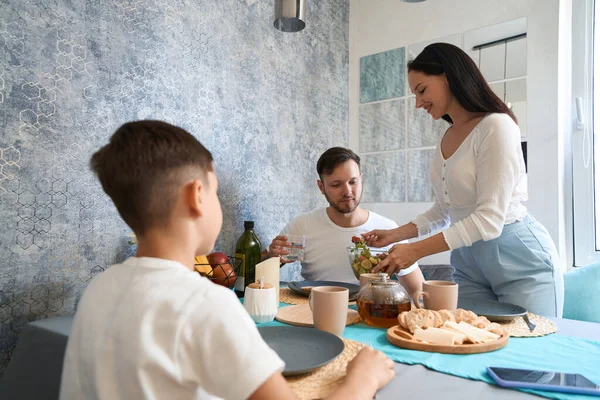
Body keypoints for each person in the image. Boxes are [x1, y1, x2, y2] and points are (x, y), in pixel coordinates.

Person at [60, 121, 395, 400]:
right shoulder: (205, 304)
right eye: (216, 190)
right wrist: (363, 379)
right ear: (196, 196)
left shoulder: (99, 288)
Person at [362, 43, 564, 317]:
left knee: (530, 350)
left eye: (422, 90)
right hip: (467, 261)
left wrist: (414, 251)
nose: (418, 103)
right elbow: (444, 211)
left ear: (448, 76)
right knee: (468, 340)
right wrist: (396, 235)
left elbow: (488, 220)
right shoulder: (447, 138)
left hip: (517, 257)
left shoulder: (496, 125)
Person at [266, 147, 425, 298]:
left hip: (371, 313)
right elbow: (261, 276)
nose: (347, 191)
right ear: (321, 187)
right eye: (336, 185)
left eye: (353, 182)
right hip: (315, 310)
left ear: (361, 179)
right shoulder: (302, 225)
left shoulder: (389, 230)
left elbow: (418, 292)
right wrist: (271, 256)